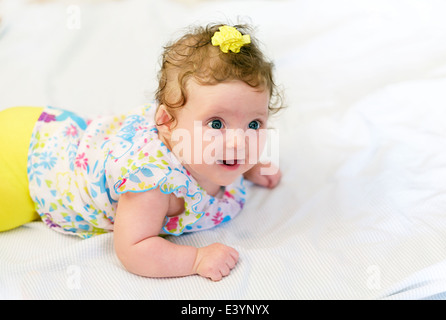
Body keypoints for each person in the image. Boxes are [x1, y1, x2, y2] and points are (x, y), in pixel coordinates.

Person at [0, 23, 283, 281]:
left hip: (53, 129)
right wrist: (195, 258)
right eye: (217, 123)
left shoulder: (211, 149)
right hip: (27, 166)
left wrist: (249, 167)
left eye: (254, 124)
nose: (238, 143)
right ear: (166, 123)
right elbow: (133, 248)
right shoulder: (152, 182)